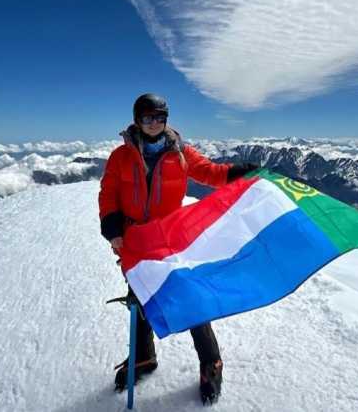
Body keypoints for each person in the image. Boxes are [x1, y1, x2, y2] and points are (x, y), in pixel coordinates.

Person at [98, 93, 258, 405]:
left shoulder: (180, 153)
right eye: (147, 118)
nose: (154, 124)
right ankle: (144, 357)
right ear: (137, 119)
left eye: (160, 118)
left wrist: (238, 173)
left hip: (171, 238)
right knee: (141, 297)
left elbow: (209, 172)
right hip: (135, 239)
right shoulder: (121, 156)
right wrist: (112, 226)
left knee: (190, 297)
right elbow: (109, 193)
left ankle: (211, 363)